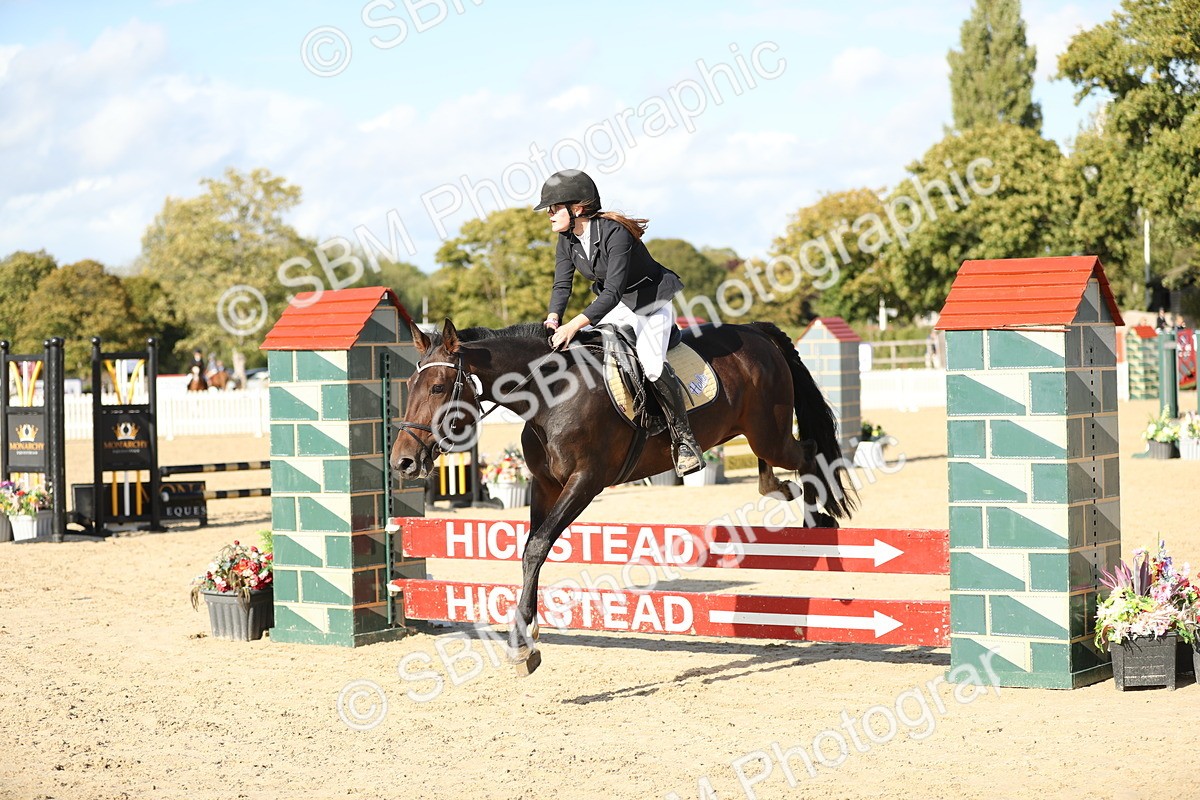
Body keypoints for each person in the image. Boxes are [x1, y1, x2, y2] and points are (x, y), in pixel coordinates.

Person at [534, 169, 703, 476]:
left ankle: (684, 440)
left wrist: (572, 325)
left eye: (554, 208)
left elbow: (612, 291)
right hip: (617, 306)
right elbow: (562, 285)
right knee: (584, 348)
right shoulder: (567, 239)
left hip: (650, 302)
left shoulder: (615, 233)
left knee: (651, 365)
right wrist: (554, 317)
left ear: (577, 209)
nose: (549, 214)